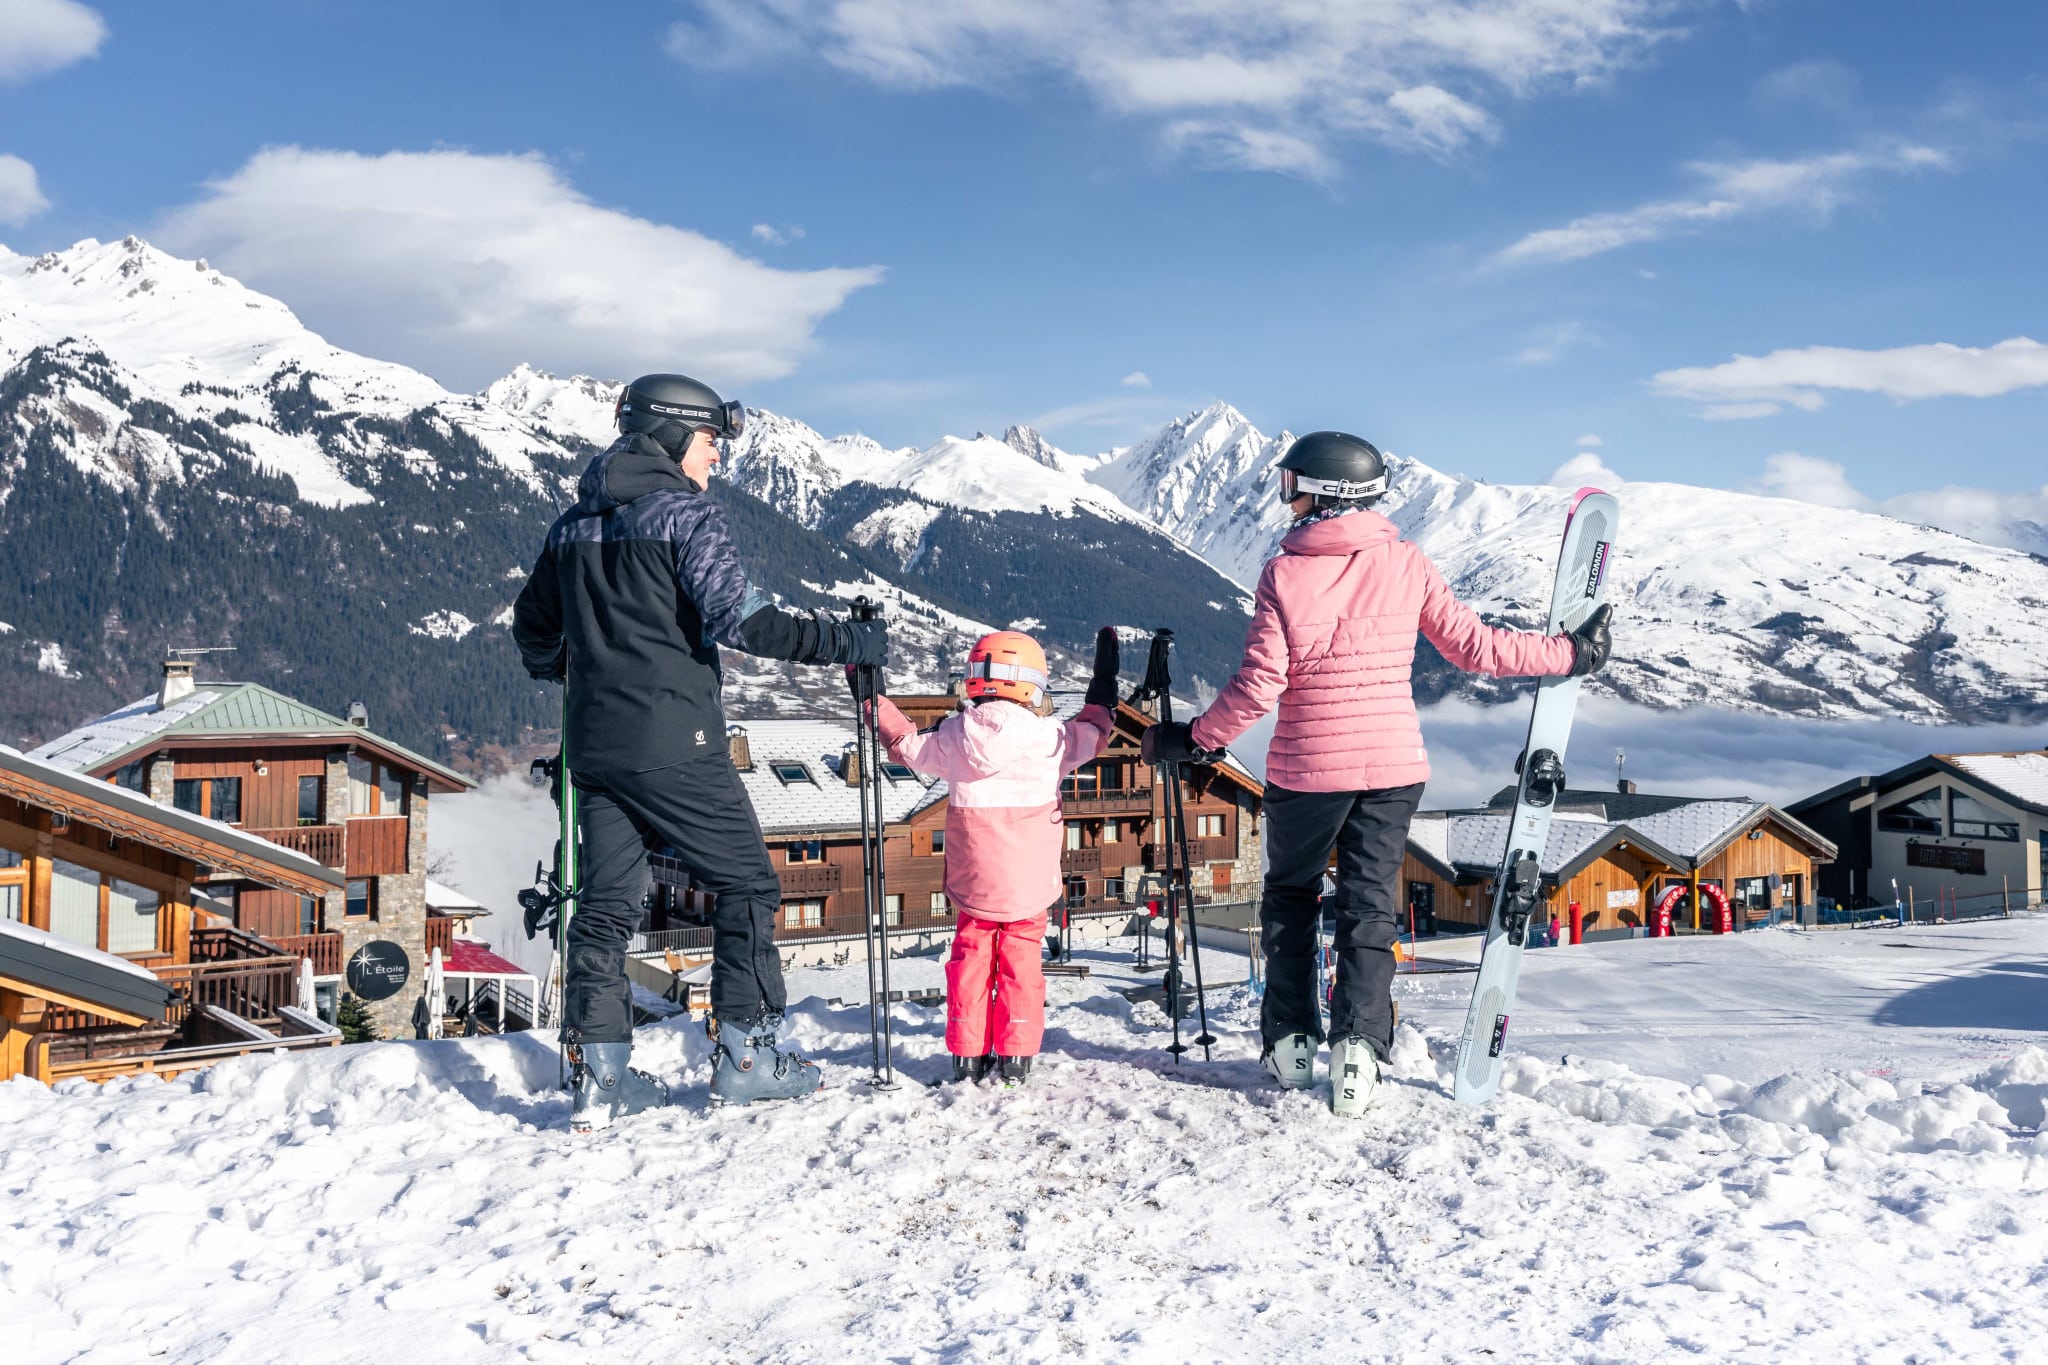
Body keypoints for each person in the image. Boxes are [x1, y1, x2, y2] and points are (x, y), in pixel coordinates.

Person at [1144, 432, 1612, 1117]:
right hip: (1393, 768)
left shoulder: (1283, 574)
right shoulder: (1406, 563)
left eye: (1292, 484)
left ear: (1326, 492)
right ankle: (1360, 1050)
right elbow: (1475, 646)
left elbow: (1260, 683)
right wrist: (1570, 653)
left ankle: (1292, 1040)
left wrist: (1196, 739)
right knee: (1369, 905)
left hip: (1308, 771)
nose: (1284, 497)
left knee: (1293, 896)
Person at [513, 372, 888, 1128]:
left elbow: (532, 633)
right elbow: (744, 622)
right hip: (676, 741)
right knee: (747, 884)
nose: (717, 457)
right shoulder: (685, 515)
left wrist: (571, 664)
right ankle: (746, 1058)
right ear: (675, 433)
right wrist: (845, 640)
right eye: (713, 441)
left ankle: (602, 1075)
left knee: (606, 905)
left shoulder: (571, 526)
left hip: (595, 747)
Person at [867, 628, 1120, 1086]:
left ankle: (968, 1054)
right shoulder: (1053, 740)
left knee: (971, 961)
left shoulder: (954, 737)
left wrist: (872, 698)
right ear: (1032, 683)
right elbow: (1095, 734)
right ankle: (1015, 1058)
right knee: (1022, 963)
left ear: (974, 679)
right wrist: (1103, 685)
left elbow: (904, 745)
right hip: (1029, 888)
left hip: (974, 885)